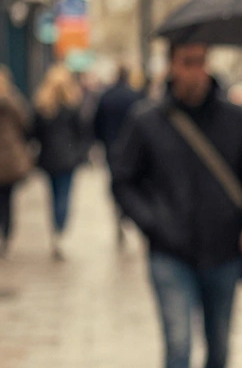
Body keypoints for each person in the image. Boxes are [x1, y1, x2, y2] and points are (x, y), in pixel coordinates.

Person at [111, 43, 242, 368]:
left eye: (201, 61)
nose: (195, 72)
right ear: (170, 66)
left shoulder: (234, 119)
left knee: (218, 347)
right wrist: (152, 224)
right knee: (179, 343)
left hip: (223, 252)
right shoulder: (148, 121)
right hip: (170, 254)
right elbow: (123, 180)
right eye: (186, 63)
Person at [32, 65, 89, 261]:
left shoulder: (43, 107)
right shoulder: (71, 107)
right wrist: (80, 153)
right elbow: (82, 133)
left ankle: (56, 230)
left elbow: (34, 133)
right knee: (64, 195)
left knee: (53, 195)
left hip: (49, 159)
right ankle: (60, 230)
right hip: (67, 158)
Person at [94, 64, 144, 245]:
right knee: (130, 181)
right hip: (132, 148)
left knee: (117, 180)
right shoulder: (135, 95)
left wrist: (100, 141)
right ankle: (124, 213)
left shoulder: (106, 96)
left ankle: (120, 212)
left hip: (111, 146)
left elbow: (96, 122)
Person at [0, 66, 32, 258]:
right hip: (10, 159)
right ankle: (7, 232)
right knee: (8, 199)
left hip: (9, 158)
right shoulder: (14, 101)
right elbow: (25, 124)